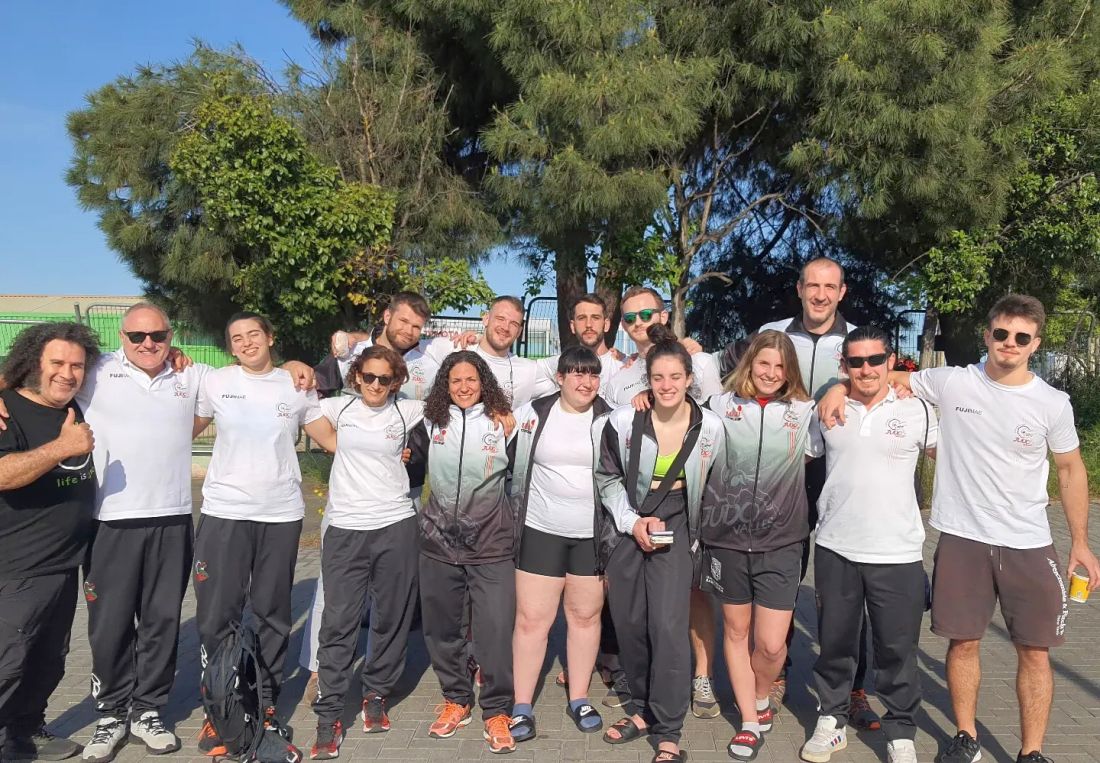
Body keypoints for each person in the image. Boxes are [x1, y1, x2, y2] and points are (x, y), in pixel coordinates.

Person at [819, 294, 1100, 763]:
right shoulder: (952, 382)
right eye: (1001, 333)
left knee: (1035, 650)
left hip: (1029, 540)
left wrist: (1082, 545)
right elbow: (880, 375)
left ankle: (1031, 752)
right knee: (963, 642)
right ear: (987, 335)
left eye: (1021, 337)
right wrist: (834, 386)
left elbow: (1071, 471)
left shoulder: (1052, 403)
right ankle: (965, 737)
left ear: (1035, 344)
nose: (1009, 343)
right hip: (961, 537)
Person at [716, 257, 874, 725]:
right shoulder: (773, 329)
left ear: (842, 291)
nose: (821, 295)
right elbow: (726, 366)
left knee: (843, 588)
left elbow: (882, 380)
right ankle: (776, 667)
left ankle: (854, 685)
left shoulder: (857, 338)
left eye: (830, 287)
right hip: (780, 471)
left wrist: (841, 387)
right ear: (800, 289)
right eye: (812, 286)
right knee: (780, 573)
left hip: (837, 470)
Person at [192, 312, 335, 757]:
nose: (247, 342)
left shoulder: (296, 384)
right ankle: (219, 710)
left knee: (273, 613)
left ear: (270, 337)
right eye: (238, 337)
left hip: (281, 513)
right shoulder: (213, 382)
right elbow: (178, 428)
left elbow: (331, 439)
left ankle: (265, 704)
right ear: (230, 347)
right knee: (218, 615)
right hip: (224, 512)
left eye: (254, 333)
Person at [74, 304, 206, 763]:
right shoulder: (95, 370)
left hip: (172, 518)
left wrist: (293, 366)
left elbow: (249, 379)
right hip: (110, 521)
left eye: (158, 335)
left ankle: (148, 710)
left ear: (171, 334)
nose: (148, 344)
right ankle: (111, 713)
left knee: (161, 621)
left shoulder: (190, 375)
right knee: (109, 626)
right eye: (137, 336)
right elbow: (34, 383)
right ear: (121, 335)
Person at [799, 326, 937, 763]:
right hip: (837, 545)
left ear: (891, 361)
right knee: (836, 644)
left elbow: (956, 459)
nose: (866, 369)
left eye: (874, 360)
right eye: (855, 362)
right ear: (844, 366)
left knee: (897, 649)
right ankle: (832, 720)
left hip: (897, 551)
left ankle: (900, 731)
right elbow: (800, 458)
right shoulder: (828, 411)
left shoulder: (920, 411)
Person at [594, 324, 725, 763]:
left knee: (668, 628)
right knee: (630, 624)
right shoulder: (622, 421)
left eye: (675, 377)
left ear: (690, 378)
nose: (666, 386)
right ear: (647, 382)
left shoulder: (711, 428)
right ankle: (644, 711)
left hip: (679, 526)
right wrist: (632, 523)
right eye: (657, 378)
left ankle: (669, 732)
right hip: (630, 526)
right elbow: (607, 478)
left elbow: (717, 488)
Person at [699, 330, 823, 761]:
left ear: (789, 371)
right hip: (726, 540)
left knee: (770, 645)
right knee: (735, 631)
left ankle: (759, 693)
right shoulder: (718, 407)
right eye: (762, 364)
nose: (770, 373)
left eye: (779, 366)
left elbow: (809, 456)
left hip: (782, 541)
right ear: (749, 364)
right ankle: (749, 721)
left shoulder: (806, 413)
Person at [308, 345, 424, 759]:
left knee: (391, 617)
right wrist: (292, 367)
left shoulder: (407, 412)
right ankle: (329, 713)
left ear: (397, 382)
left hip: (395, 525)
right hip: (345, 530)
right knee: (338, 622)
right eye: (369, 377)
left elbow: (456, 399)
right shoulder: (338, 409)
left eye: (385, 379)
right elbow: (297, 390)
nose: (376, 385)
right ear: (357, 377)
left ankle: (375, 693)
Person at [405, 351, 518, 754]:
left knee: (495, 629)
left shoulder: (504, 423)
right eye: (456, 381)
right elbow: (410, 470)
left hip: (491, 545)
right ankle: (456, 699)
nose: (464, 387)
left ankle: (498, 711)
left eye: (472, 379)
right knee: (442, 630)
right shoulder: (432, 423)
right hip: (437, 544)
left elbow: (519, 479)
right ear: (445, 386)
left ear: (483, 382)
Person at [0, 322, 99, 761]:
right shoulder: (7, 409)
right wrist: (61, 449)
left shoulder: (76, 406)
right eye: (56, 363)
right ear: (31, 364)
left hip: (64, 563)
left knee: (48, 659)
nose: (67, 373)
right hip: (17, 566)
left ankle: (25, 730)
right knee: (8, 661)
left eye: (76, 365)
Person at [507, 346, 612, 743]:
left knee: (585, 618)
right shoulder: (534, 413)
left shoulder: (612, 417)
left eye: (592, 375)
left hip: (591, 535)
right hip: (540, 529)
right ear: (561, 377)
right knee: (533, 621)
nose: (585, 382)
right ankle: (521, 706)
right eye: (577, 374)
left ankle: (580, 697)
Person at [472, 296, 556, 406]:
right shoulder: (454, 350)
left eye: (514, 324)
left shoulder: (529, 371)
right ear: (486, 319)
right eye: (500, 319)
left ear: (519, 332)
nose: (506, 327)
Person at [535, 293, 625, 395]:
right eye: (582, 318)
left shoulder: (624, 365)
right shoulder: (557, 364)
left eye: (595, 317)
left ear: (606, 324)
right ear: (573, 326)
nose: (588, 325)